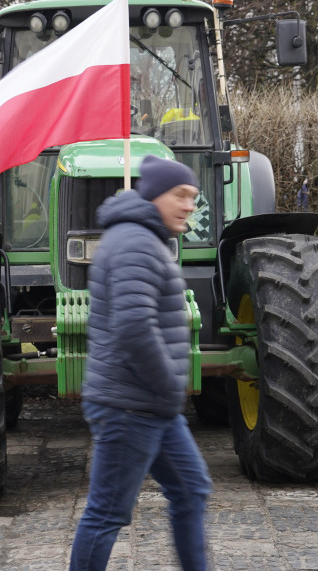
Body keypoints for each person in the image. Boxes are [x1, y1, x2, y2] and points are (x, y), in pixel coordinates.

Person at [70, 155, 212, 571]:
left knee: (191, 490)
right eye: (181, 196)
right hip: (129, 404)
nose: (189, 205)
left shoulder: (145, 239)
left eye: (193, 197)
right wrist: (168, 384)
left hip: (151, 404)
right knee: (108, 512)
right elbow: (134, 326)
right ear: (154, 197)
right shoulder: (134, 242)